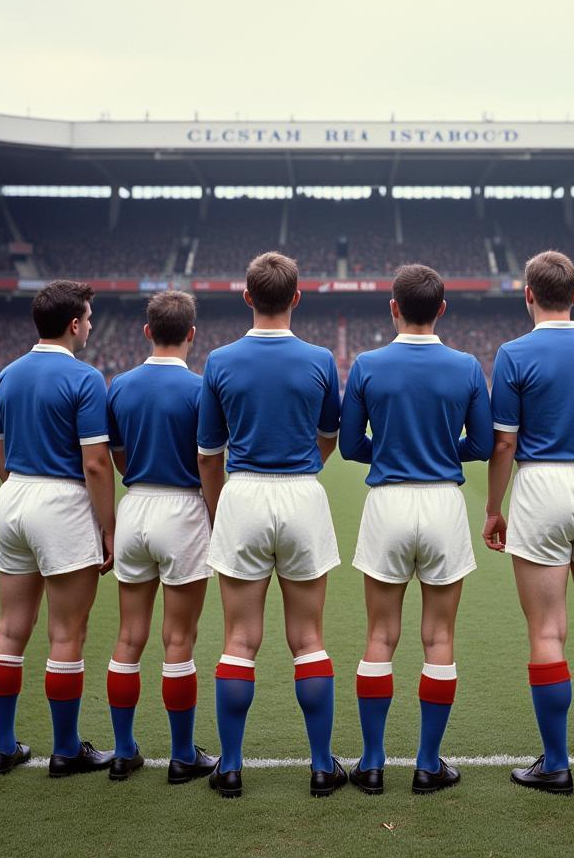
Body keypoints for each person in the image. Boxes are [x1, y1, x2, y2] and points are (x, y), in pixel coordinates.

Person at [339, 263, 492, 796]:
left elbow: (350, 446)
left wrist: (394, 450)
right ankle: (428, 765)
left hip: (388, 502)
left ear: (393, 307)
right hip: (445, 503)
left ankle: (373, 764)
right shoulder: (468, 365)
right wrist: (441, 451)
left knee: (380, 636)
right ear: (442, 309)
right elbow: (483, 444)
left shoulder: (367, 364)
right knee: (439, 637)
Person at [197, 252, 344, 799]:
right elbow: (329, 436)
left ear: (246, 297)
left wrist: (221, 509)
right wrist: (303, 469)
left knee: (239, 639)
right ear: (297, 297)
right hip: (303, 493)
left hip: (242, 495)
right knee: (308, 638)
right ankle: (322, 767)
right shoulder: (321, 358)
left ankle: (230, 767)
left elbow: (209, 454)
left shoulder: (218, 360)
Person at [483, 250, 574, 794]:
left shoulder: (514, 353)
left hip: (540, 484)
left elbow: (504, 441)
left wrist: (494, 508)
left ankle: (556, 763)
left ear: (527, 295)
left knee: (548, 631)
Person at [0, 280, 115, 777]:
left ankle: (3, 748)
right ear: (74, 324)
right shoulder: (85, 378)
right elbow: (97, 465)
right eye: (88, 318)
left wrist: (20, 490)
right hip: (61, 501)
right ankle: (65, 750)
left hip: (13, 495)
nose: (90, 326)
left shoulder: (5, 376)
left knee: (10, 629)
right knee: (67, 634)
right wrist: (108, 528)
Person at [104, 290, 218, 784]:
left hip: (135, 507)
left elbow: (117, 455)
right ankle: (180, 756)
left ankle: (124, 751)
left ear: (148, 331)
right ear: (192, 333)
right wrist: (216, 516)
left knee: (129, 636)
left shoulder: (119, 386)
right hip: (185, 508)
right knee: (179, 639)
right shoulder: (201, 389)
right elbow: (209, 461)